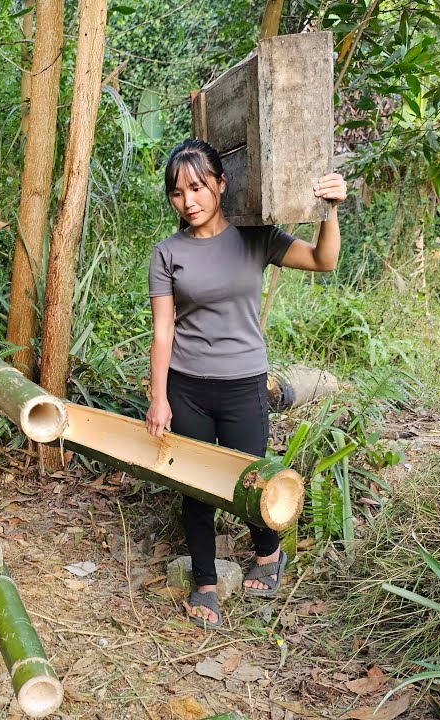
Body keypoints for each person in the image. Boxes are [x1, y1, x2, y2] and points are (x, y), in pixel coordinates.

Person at [146, 138, 347, 629]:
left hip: (243, 384)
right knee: (194, 486)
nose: (188, 201)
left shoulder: (256, 237)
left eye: (197, 187)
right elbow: (163, 330)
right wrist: (158, 397)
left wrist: (329, 209)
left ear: (220, 183)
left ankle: (267, 554)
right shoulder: (167, 253)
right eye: (177, 193)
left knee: (252, 480)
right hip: (187, 386)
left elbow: (324, 260)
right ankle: (205, 582)